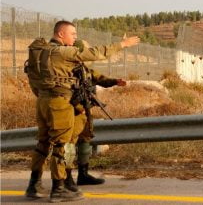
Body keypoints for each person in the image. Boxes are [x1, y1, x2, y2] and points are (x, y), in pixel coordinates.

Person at [24, 20, 139, 202]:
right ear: (61, 34)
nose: (75, 38)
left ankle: (33, 185)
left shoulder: (41, 53)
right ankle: (58, 189)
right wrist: (122, 44)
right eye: (73, 34)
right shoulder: (62, 52)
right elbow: (95, 53)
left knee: (43, 143)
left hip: (44, 102)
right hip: (60, 103)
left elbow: (34, 81)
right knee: (63, 145)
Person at [63, 39, 127, 192]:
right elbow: (64, 92)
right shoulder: (66, 69)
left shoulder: (83, 68)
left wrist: (114, 82)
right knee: (70, 144)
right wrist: (79, 108)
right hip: (72, 111)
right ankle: (67, 177)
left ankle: (83, 174)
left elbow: (97, 78)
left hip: (85, 109)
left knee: (86, 138)